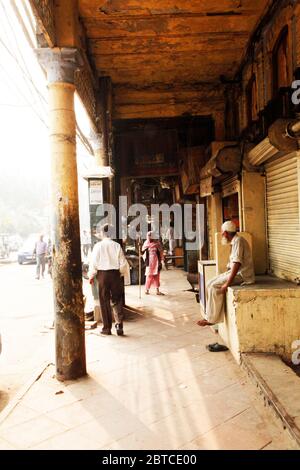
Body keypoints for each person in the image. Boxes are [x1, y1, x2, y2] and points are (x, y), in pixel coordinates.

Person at [197, 220, 255, 327]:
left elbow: (237, 263)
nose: (222, 235)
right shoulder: (235, 241)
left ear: (226, 233)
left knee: (214, 286)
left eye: (223, 233)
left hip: (243, 276)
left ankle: (212, 319)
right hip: (235, 272)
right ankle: (208, 315)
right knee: (209, 283)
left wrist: (227, 283)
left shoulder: (238, 241)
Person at [88, 224, 129, 336]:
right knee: (117, 299)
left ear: (103, 233)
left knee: (104, 301)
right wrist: (120, 273)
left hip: (102, 276)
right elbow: (123, 264)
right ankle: (119, 324)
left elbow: (94, 263)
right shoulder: (117, 246)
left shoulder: (98, 246)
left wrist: (91, 275)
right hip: (115, 274)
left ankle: (107, 328)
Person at [142, 231, 164, 296]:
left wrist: (161, 260)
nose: (150, 237)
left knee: (156, 276)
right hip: (149, 262)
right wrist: (140, 247)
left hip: (156, 261)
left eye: (151, 236)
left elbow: (161, 252)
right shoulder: (146, 243)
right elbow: (142, 252)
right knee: (149, 275)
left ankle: (157, 290)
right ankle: (147, 290)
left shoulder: (157, 243)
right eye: (149, 236)